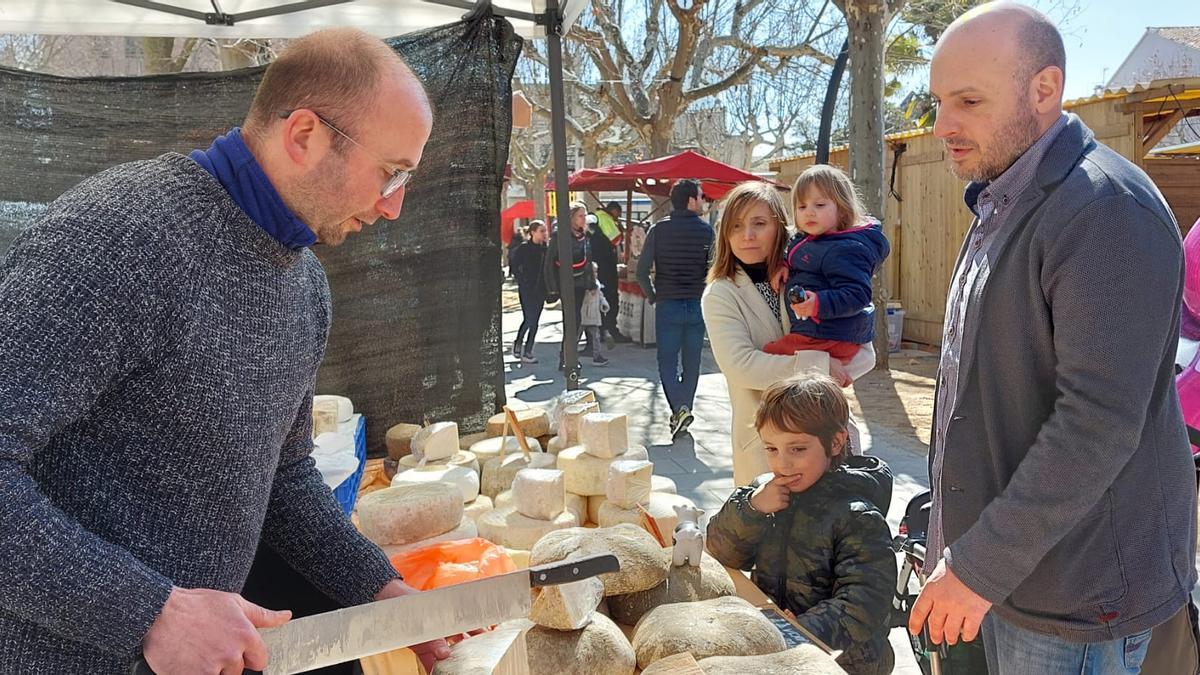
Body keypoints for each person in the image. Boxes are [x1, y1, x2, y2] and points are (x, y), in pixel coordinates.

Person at [0, 28, 452, 674]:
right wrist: (150, 609)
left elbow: (286, 477)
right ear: (303, 135)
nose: (395, 206)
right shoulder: (119, 237)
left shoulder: (305, 288)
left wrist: (377, 587)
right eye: (391, 172)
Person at [909, 3, 1196, 671]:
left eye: (969, 100)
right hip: (1001, 575)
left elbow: (1094, 426)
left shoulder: (1103, 211)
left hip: (1074, 600)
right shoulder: (1000, 199)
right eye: (939, 101)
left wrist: (977, 565)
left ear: (1044, 89)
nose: (942, 124)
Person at [707, 375, 896, 675]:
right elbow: (721, 552)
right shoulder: (766, 493)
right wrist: (752, 508)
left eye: (797, 449)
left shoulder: (856, 516)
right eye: (771, 449)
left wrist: (802, 630)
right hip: (780, 643)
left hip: (842, 660)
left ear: (835, 443)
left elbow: (865, 600)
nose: (783, 464)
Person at [701, 181, 876, 486]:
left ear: (780, 228)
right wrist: (820, 366)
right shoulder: (721, 293)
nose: (748, 235)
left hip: (826, 444)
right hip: (769, 452)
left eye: (759, 224)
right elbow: (741, 366)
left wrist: (831, 366)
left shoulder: (811, 274)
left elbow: (864, 352)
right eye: (737, 226)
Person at [764, 165, 889, 366]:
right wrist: (784, 263)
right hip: (817, 332)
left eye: (820, 205)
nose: (809, 213)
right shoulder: (813, 239)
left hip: (828, 337)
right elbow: (799, 252)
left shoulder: (845, 249)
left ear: (843, 209)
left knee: (768, 358)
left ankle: (832, 367)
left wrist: (819, 303)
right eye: (802, 207)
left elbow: (858, 294)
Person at [637, 179, 715, 438]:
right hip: (696, 304)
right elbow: (715, 271)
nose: (704, 201)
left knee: (667, 361)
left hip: (667, 304)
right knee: (692, 362)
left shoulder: (658, 230)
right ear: (691, 200)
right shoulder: (707, 232)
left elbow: (641, 271)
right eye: (702, 196)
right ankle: (684, 409)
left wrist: (652, 295)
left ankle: (679, 409)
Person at [544, 201, 594, 370]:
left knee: (577, 321)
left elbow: (588, 259)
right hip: (565, 283)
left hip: (580, 283)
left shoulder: (585, 235)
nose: (584, 219)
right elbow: (549, 262)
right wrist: (552, 288)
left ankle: (568, 355)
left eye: (585, 215)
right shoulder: (559, 236)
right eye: (580, 216)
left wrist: (591, 282)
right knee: (570, 321)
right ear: (571, 218)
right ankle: (567, 358)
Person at [509, 219, 549, 363]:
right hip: (526, 289)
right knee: (529, 318)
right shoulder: (524, 248)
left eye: (545, 231)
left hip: (540, 289)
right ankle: (519, 342)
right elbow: (514, 265)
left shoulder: (546, 249)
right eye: (541, 231)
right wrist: (522, 280)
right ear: (532, 232)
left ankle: (528, 350)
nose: (544, 234)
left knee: (535, 320)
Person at [592, 201, 631, 344]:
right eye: (618, 214)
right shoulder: (605, 218)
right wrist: (620, 228)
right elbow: (616, 239)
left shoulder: (595, 217)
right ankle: (611, 330)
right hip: (606, 266)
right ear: (614, 211)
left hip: (597, 265)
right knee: (611, 298)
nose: (619, 216)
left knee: (600, 299)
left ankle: (602, 330)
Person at [579, 263, 611, 367]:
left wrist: (604, 304)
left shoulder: (597, 283)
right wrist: (588, 292)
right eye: (594, 272)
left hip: (594, 314)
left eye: (596, 271)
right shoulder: (584, 284)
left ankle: (597, 356)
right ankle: (570, 356)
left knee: (596, 336)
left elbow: (600, 296)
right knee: (576, 336)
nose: (595, 274)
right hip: (584, 313)